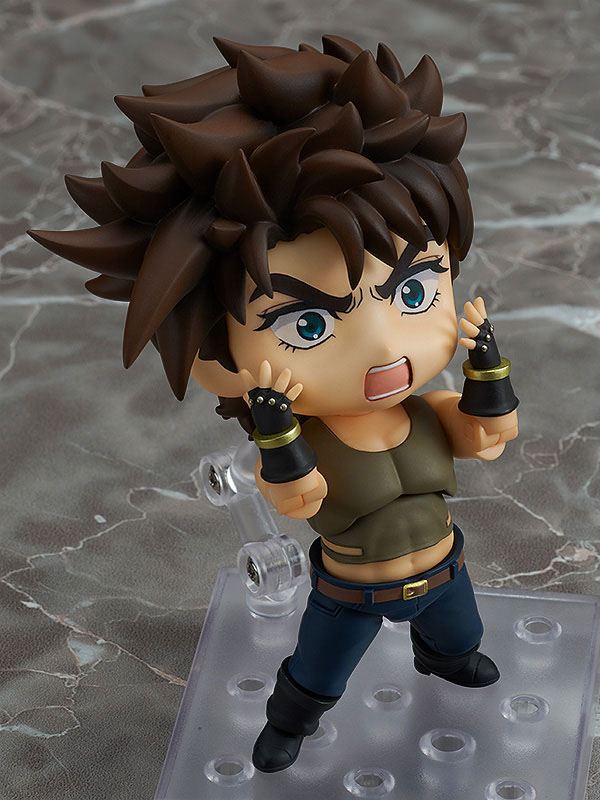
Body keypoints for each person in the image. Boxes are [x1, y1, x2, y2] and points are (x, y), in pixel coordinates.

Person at [27, 34, 519, 775]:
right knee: (317, 674)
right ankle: (291, 722)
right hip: (351, 592)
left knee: (461, 638)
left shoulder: (425, 412)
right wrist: (277, 429)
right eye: (309, 325)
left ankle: (444, 659)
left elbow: (489, 436)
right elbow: (297, 498)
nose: (384, 348)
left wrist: (485, 364)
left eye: (415, 290)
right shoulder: (308, 443)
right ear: (212, 357)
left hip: (447, 574)